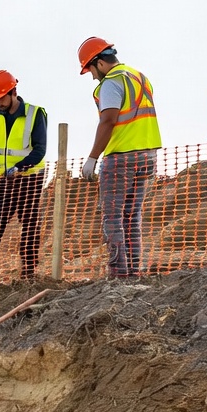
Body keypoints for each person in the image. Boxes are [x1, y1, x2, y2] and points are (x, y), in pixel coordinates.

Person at [78, 37, 162, 279]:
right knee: (131, 217)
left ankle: (118, 274)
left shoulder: (112, 81)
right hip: (147, 155)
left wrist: (93, 158)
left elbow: (109, 119)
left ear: (98, 63)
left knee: (113, 217)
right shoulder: (139, 77)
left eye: (91, 70)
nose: (93, 77)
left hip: (122, 157)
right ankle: (133, 271)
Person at [0, 71, 48, 283]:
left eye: (1, 98)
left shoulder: (35, 114)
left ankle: (29, 274)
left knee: (30, 226)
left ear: (13, 92)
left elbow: (40, 149)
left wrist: (20, 167)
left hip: (31, 178)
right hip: (6, 180)